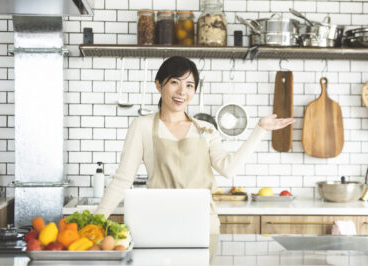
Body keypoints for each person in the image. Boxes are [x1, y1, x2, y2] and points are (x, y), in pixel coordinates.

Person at [95, 56, 294, 255]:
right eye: (174, 82)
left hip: (203, 223)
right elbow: (122, 181)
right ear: (158, 85)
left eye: (190, 85)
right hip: (159, 222)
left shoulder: (206, 129)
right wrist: (95, 221)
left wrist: (260, 130)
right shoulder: (142, 126)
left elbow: (228, 168)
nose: (182, 91)